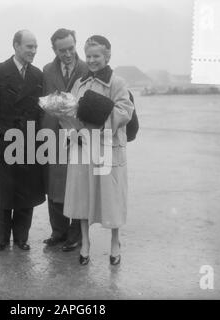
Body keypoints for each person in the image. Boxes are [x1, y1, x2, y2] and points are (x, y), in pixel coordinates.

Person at [63, 35, 134, 265]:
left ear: (108, 55)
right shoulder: (79, 83)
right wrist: (71, 130)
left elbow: (124, 111)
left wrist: (96, 121)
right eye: (89, 56)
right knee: (83, 197)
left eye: (97, 56)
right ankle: (85, 242)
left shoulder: (117, 83)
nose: (92, 60)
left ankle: (115, 242)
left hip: (108, 149)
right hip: (83, 150)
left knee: (110, 199)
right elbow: (71, 112)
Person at [0, 30, 45, 252]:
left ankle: (22, 238)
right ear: (16, 46)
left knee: (26, 191)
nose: (33, 51)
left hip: (29, 141)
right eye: (29, 47)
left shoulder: (37, 75)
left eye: (35, 47)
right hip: (3, 140)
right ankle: (2, 238)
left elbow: (41, 112)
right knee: (4, 193)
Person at [41, 28, 88, 251]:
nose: (67, 54)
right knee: (55, 184)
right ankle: (58, 231)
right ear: (54, 50)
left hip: (79, 136)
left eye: (71, 48)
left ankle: (76, 234)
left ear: (75, 44)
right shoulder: (47, 70)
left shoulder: (87, 68)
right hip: (54, 135)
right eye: (62, 50)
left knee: (77, 184)